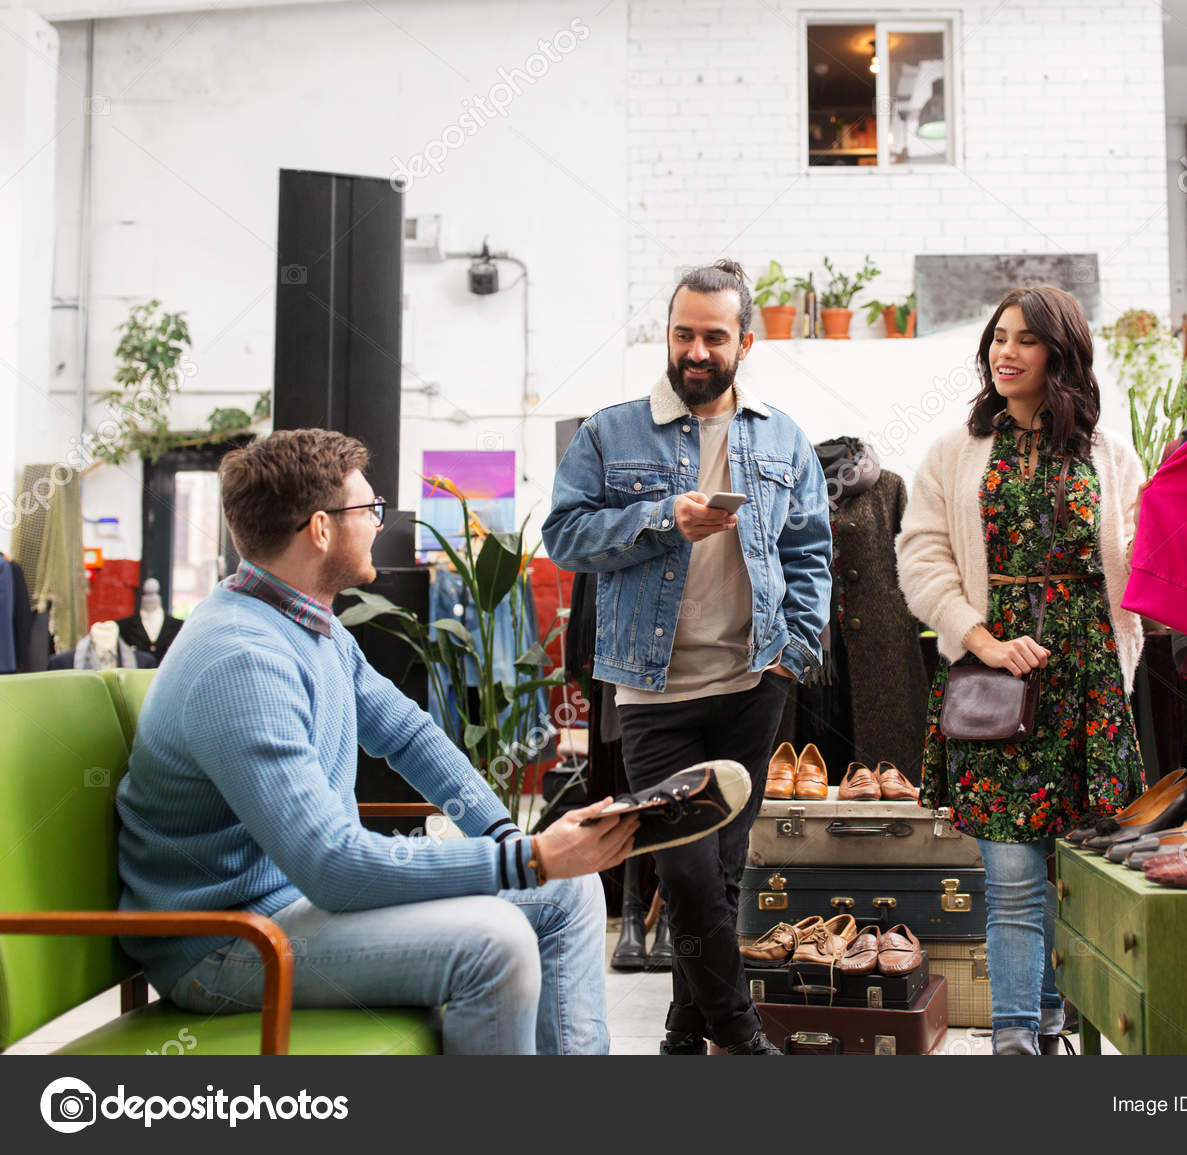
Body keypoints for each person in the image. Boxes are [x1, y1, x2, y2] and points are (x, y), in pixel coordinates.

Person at [117, 429, 636, 1055]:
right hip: (229, 943)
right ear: (321, 529)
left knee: (569, 889)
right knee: (495, 944)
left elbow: (409, 734)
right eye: (370, 509)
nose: (379, 524)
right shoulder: (241, 659)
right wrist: (529, 859)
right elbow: (332, 866)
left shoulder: (315, 628)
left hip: (295, 909)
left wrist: (507, 837)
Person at [543, 259, 832, 1056]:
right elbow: (564, 536)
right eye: (682, 334)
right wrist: (662, 518)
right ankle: (741, 1037)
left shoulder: (783, 438)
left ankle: (681, 1033)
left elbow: (810, 552)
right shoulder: (609, 432)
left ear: (744, 342)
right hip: (654, 691)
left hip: (751, 682)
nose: (696, 351)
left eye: (713, 336)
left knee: (724, 870)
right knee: (686, 869)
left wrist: (793, 652)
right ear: (666, 335)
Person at [896, 285, 1147, 1054]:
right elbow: (920, 555)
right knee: (1010, 874)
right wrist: (980, 637)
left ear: (1060, 354)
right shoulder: (955, 452)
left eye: (1025, 339)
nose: (1005, 352)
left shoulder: (1109, 452)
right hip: (994, 681)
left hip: (1088, 685)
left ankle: (1047, 1017)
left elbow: (1136, 559)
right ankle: (1013, 1037)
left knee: (1068, 873)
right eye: (998, 338)